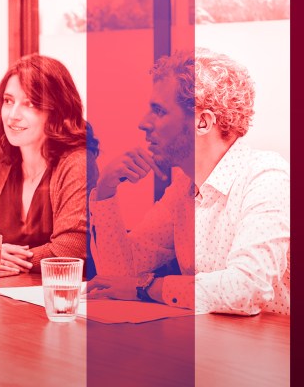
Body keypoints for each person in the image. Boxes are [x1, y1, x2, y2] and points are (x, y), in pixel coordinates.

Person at [87, 48, 290, 315]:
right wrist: (105, 191)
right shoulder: (184, 187)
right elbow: (120, 276)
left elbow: (247, 287)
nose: (143, 123)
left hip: (268, 347)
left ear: (203, 122)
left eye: (159, 111)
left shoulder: (266, 177)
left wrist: (146, 286)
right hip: (213, 344)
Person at [0, 54, 94, 276]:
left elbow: (70, 251)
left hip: (57, 303)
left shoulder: (77, 164)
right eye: (8, 101)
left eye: (30, 103)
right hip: (0, 302)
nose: (12, 116)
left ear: (57, 111)